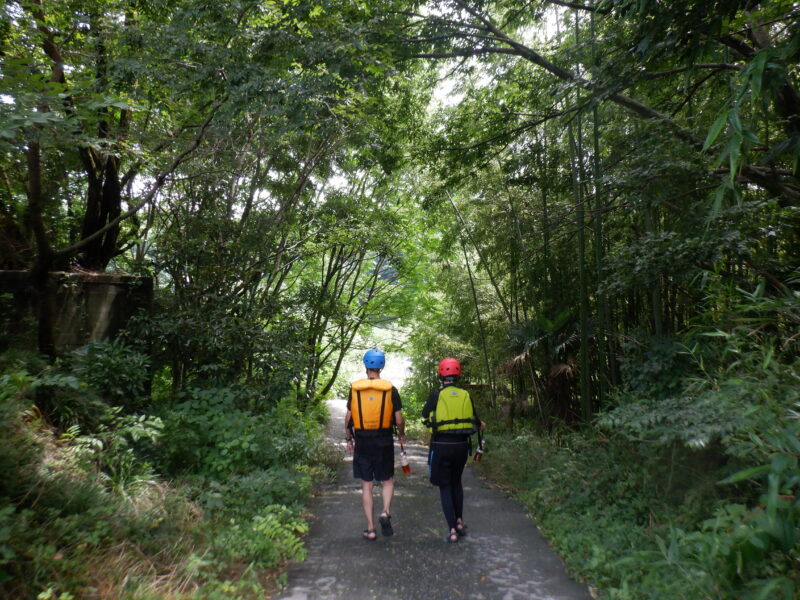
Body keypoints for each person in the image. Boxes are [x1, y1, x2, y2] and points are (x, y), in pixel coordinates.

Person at [422, 357, 486, 543]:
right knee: (456, 482)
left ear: (440, 374)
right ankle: (459, 521)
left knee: (445, 485)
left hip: (442, 445)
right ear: (457, 374)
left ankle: (451, 529)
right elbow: (477, 420)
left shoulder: (436, 394)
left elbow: (425, 414)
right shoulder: (466, 394)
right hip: (461, 446)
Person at [345, 348, 406, 541]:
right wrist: (402, 434)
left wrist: (349, 438)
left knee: (367, 484)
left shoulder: (355, 388)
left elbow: (348, 417)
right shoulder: (390, 389)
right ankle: (385, 512)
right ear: (382, 366)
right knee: (387, 480)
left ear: (365, 365)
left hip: (363, 440)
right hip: (383, 439)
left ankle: (370, 529)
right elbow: (398, 419)